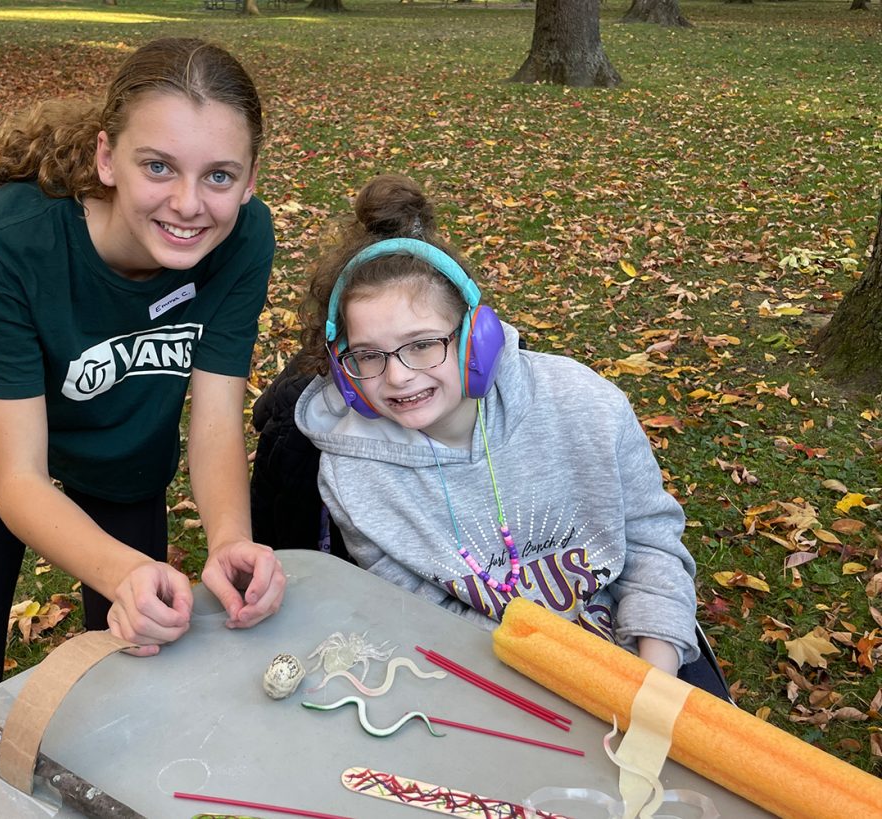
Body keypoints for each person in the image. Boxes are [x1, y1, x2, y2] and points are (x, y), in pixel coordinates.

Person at [0, 37, 286, 675]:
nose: (190, 204)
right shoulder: (2, 243)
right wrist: (125, 570)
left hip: (123, 428)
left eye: (218, 175)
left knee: (138, 659)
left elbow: (217, 413)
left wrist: (228, 538)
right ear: (108, 158)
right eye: (159, 167)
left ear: (250, 181)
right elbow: (21, 479)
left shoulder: (243, 239)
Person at [293, 174, 700, 678]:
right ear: (343, 370)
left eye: (423, 344)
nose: (398, 376)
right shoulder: (352, 474)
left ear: (475, 341)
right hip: (489, 678)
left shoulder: (586, 405)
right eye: (368, 355)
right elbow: (419, 616)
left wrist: (654, 677)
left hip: (637, 652)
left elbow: (651, 546)